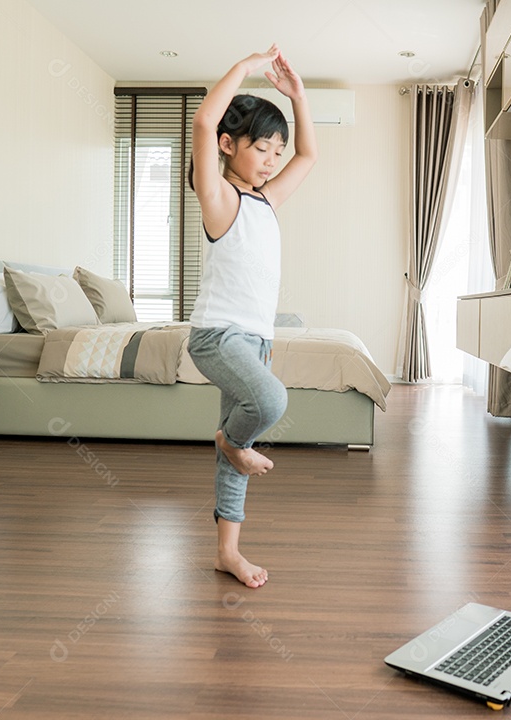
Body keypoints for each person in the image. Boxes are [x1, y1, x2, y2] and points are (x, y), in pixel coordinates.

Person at [187, 45, 317, 589]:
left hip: (256, 340)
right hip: (218, 337)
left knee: (235, 451)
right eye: (261, 147)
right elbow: (201, 118)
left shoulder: (266, 202)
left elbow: (308, 157)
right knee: (270, 402)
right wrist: (244, 66)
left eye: (275, 150)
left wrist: (298, 95)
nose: (271, 159)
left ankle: (227, 553)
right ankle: (232, 443)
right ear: (227, 145)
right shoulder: (218, 197)